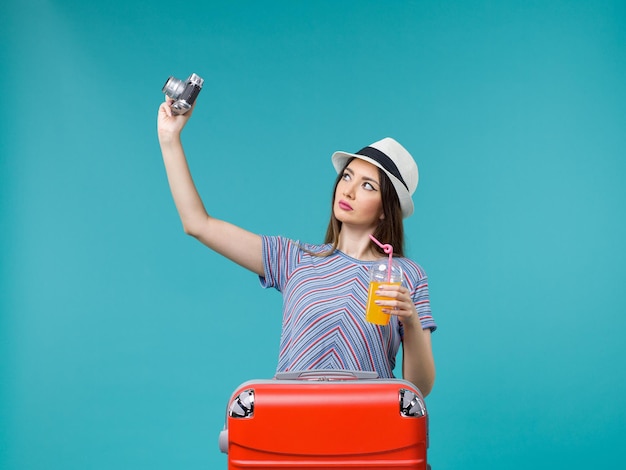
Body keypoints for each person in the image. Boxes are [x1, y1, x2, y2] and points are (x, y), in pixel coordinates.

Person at [157, 97, 437, 396]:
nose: (349, 190)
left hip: (371, 426)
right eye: (347, 176)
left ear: (385, 209)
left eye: (368, 186)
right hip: (294, 421)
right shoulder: (294, 259)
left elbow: (418, 387)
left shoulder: (406, 275)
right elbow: (197, 224)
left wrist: (410, 319)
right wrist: (169, 139)